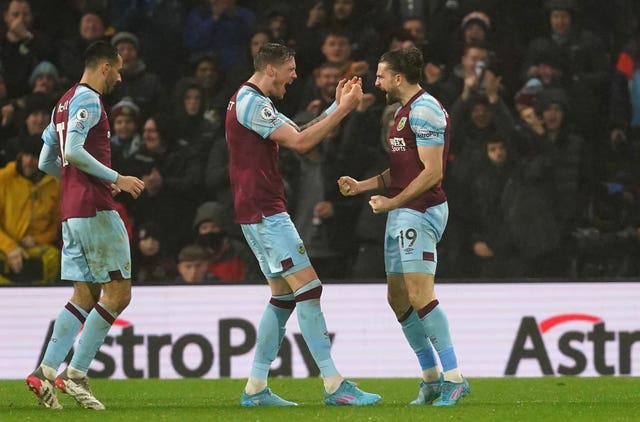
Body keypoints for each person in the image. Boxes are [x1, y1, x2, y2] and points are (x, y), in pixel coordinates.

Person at [226, 42, 380, 407]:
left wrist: (332, 106)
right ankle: (333, 384)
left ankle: (256, 388)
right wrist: (343, 110)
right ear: (271, 69)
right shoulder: (251, 102)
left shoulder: (248, 102)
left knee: (283, 297)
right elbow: (301, 141)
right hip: (265, 212)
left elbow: (295, 129)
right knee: (309, 289)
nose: (295, 76)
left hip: (257, 210)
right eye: (291, 69)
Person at [337, 46, 470, 406]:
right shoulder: (400, 113)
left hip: (421, 210)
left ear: (399, 77)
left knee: (419, 293)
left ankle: (454, 377)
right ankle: (430, 378)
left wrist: (394, 202)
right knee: (397, 298)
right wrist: (363, 186)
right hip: (402, 210)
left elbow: (433, 172)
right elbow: (401, 170)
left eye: (380, 75)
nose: (376, 82)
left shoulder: (426, 110)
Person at [25, 40, 145, 410]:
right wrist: (115, 177)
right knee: (119, 293)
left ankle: (44, 371)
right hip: (95, 209)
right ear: (104, 66)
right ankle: (75, 375)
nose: (121, 76)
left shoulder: (61, 102)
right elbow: (73, 151)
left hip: (71, 211)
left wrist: (80, 182)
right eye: (119, 68)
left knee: (85, 296)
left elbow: (49, 160)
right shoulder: (89, 100)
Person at [0, 134, 60, 284]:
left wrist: (37, 240)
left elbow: (57, 226)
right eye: (26, 155)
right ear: (20, 155)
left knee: (54, 257)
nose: (28, 162)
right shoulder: (4, 179)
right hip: (4, 246)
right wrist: (10, 246)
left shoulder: (56, 184)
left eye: (35, 157)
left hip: (36, 247)